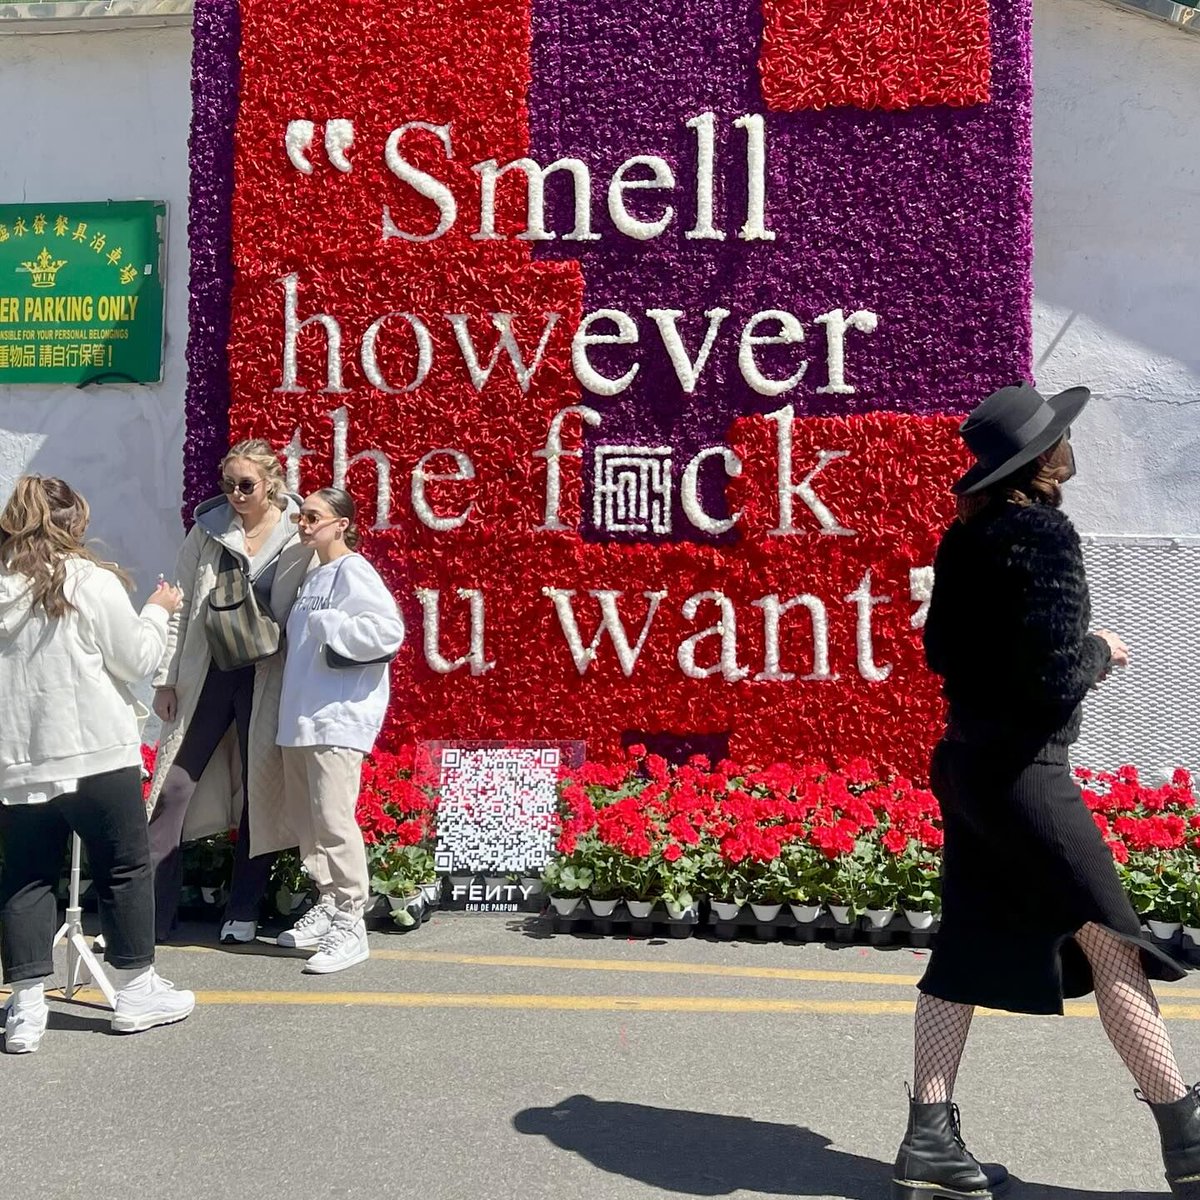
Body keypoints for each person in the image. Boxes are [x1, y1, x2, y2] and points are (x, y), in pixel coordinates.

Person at [892, 382, 1199, 1200]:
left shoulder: (967, 535)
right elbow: (1055, 677)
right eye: (1061, 435)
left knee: (962, 953)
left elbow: (941, 653)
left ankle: (929, 1141)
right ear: (1044, 459)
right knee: (1112, 939)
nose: (1070, 443)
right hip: (1026, 772)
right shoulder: (1044, 536)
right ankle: (1190, 1142)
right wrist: (1100, 650)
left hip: (967, 765)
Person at [0, 476, 195, 1053]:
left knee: (26, 877)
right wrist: (158, 611)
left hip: (19, 756)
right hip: (95, 750)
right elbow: (137, 659)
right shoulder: (88, 580)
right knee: (123, 868)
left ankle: (26, 1009)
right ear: (74, 523)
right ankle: (136, 992)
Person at [146, 439, 312, 944]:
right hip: (208, 673)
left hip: (267, 675)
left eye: (246, 485)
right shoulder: (208, 528)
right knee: (173, 787)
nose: (236, 494)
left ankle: (242, 911)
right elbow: (180, 609)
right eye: (228, 484)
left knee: (259, 794)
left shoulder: (296, 535)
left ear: (271, 483)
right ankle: (149, 915)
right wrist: (166, 679)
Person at [270, 487, 404, 974]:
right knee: (308, 823)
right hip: (301, 717)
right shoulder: (313, 575)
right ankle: (328, 901)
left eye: (313, 517)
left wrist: (332, 626)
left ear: (342, 524)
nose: (303, 525)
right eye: (301, 518)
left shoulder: (353, 570)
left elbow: (388, 632)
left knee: (333, 819)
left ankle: (351, 921)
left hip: (337, 717)